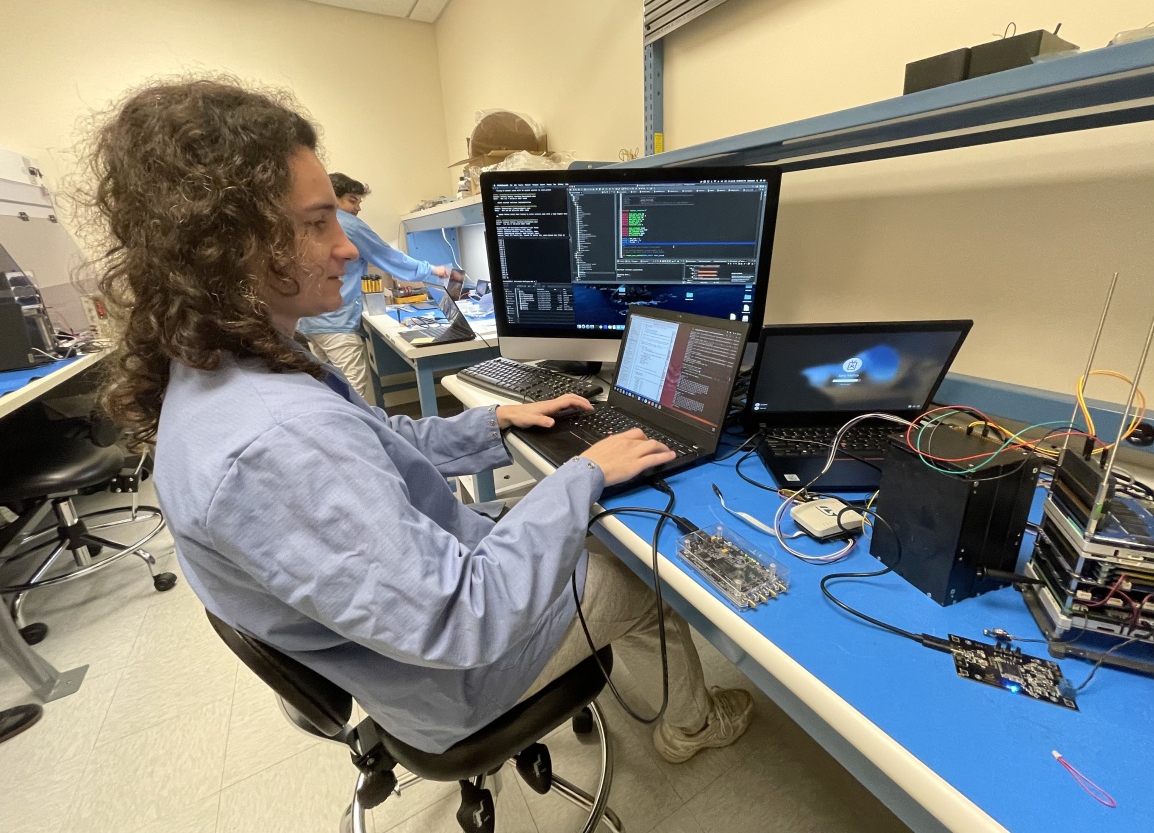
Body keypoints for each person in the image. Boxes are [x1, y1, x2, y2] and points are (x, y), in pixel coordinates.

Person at [80, 78, 753, 763]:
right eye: (317, 223)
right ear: (224, 245)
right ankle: (690, 728)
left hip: (403, 631)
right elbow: (465, 616)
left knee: (586, 536)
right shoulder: (275, 440)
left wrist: (499, 423)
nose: (346, 248)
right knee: (646, 577)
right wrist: (580, 476)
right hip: (449, 678)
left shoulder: (231, 367)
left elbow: (379, 442)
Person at [296, 171, 450, 402]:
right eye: (352, 200)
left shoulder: (311, 224)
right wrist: (432, 270)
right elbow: (386, 256)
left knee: (331, 391)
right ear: (333, 197)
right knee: (353, 394)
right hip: (337, 325)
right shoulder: (347, 224)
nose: (358, 208)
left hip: (310, 322)